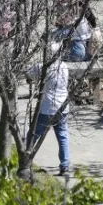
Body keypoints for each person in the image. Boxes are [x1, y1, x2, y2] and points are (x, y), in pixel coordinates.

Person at [27, 47, 71, 176]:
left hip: (47, 107)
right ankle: (65, 164)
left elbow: (29, 74)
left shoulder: (42, 67)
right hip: (63, 107)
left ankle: (25, 156)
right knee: (62, 135)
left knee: (34, 134)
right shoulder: (64, 66)